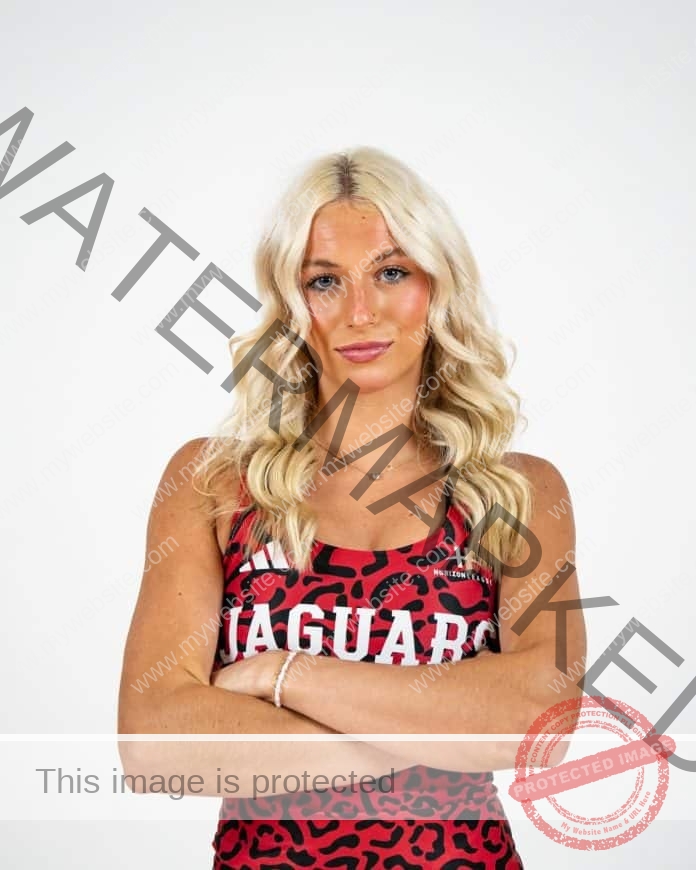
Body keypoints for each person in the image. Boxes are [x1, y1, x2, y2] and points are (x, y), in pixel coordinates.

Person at [118, 147, 586, 869]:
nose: (360, 311)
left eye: (391, 272)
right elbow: (155, 741)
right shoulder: (214, 484)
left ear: (438, 284)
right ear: (293, 303)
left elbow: (538, 723)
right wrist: (440, 724)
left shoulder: (515, 492)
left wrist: (283, 676)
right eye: (325, 281)